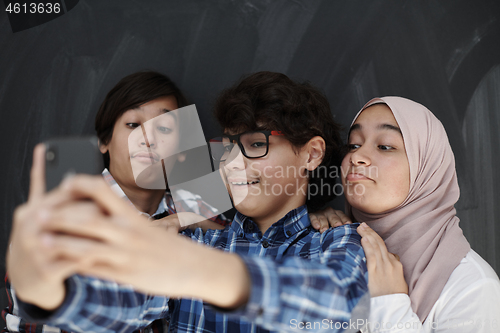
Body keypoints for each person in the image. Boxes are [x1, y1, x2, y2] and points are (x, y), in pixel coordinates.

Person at [5, 71, 368, 333]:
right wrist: (52, 294)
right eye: (227, 147)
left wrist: (205, 272)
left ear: (311, 154)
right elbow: (126, 301)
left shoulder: (341, 240)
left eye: (256, 144)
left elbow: (339, 303)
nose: (233, 163)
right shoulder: (196, 237)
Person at [2, 71, 233, 333]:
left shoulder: (197, 213)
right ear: (104, 141)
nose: (148, 139)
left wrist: (185, 220)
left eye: (165, 127)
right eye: (133, 124)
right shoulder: (59, 221)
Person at [342, 97, 500, 332]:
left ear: (427, 166)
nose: (356, 157)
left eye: (385, 146)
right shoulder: (328, 250)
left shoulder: (473, 287)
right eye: (354, 145)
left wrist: (390, 304)